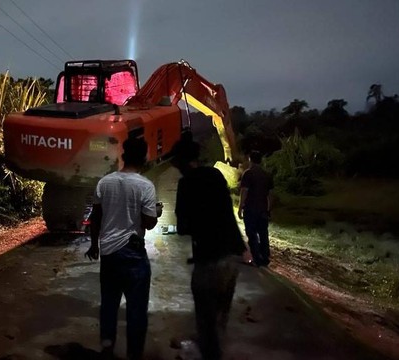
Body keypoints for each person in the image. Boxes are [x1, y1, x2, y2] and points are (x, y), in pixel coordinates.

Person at [170, 133, 247, 360]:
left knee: (206, 319)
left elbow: (183, 227)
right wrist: (243, 248)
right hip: (230, 259)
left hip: (208, 261)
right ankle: (215, 350)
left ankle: (210, 354)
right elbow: (228, 216)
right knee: (220, 317)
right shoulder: (215, 176)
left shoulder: (186, 183)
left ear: (181, 163)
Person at [84, 136, 162, 359]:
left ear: (124, 156)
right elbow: (148, 223)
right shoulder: (145, 186)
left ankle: (107, 347)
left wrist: (94, 245)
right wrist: (156, 212)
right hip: (133, 254)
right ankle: (133, 354)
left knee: (109, 305)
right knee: (136, 311)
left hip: (109, 254)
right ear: (144, 158)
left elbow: (95, 217)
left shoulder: (105, 182)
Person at [238, 150, 274, 267]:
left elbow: (244, 192)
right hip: (263, 209)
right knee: (263, 234)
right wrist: (268, 209)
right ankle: (265, 257)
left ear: (250, 160)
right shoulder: (267, 175)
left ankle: (256, 258)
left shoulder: (248, 174)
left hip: (251, 209)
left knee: (252, 233)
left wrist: (240, 207)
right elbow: (270, 195)